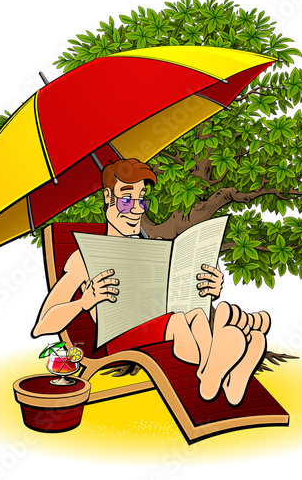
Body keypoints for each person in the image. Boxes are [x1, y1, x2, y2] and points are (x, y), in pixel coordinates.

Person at [32, 158, 270, 406]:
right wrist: (84, 302)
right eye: (126, 200)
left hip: (160, 323)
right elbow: (42, 326)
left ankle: (225, 374)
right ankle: (217, 366)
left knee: (198, 315)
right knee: (180, 321)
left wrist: (209, 286)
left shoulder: (153, 250)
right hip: (118, 338)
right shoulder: (85, 257)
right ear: (107, 197)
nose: (136, 210)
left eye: (141, 200)